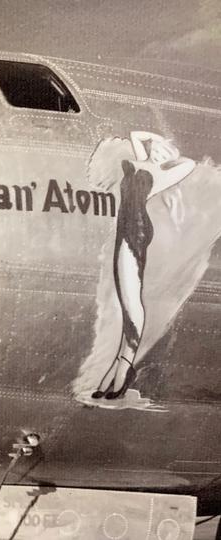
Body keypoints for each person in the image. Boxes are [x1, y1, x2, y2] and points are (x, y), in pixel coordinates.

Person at [92, 131, 196, 400]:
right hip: (125, 232)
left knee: (131, 303)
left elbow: (190, 165)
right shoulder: (141, 162)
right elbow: (137, 136)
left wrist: (169, 157)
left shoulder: (160, 175)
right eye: (157, 150)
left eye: (164, 155)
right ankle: (118, 370)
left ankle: (123, 370)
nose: (159, 155)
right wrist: (156, 143)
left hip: (134, 233)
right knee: (128, 301)